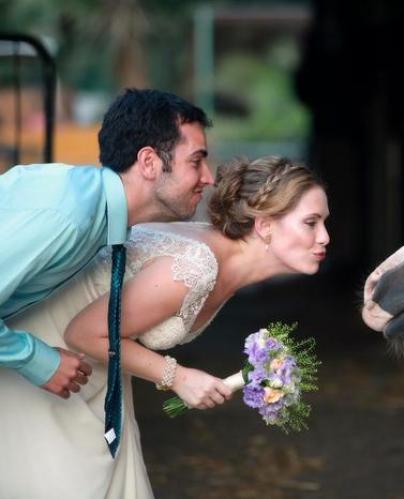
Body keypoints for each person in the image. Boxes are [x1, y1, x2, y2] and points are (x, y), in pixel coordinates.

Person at [0, 156, 330, 499]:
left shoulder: (228, 262)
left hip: (97, 373)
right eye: (311, 222)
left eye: (324, 222)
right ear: (264, 226)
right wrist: (178, 377)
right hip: (49, 358)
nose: (324, 237)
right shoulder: (196, 266)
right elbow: (84, 333)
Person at [0, 88, 214, 400]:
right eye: (196, 161)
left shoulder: (97, 214)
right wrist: (35, 359)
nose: (208, 177)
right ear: (149, 162)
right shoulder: (70, 215)